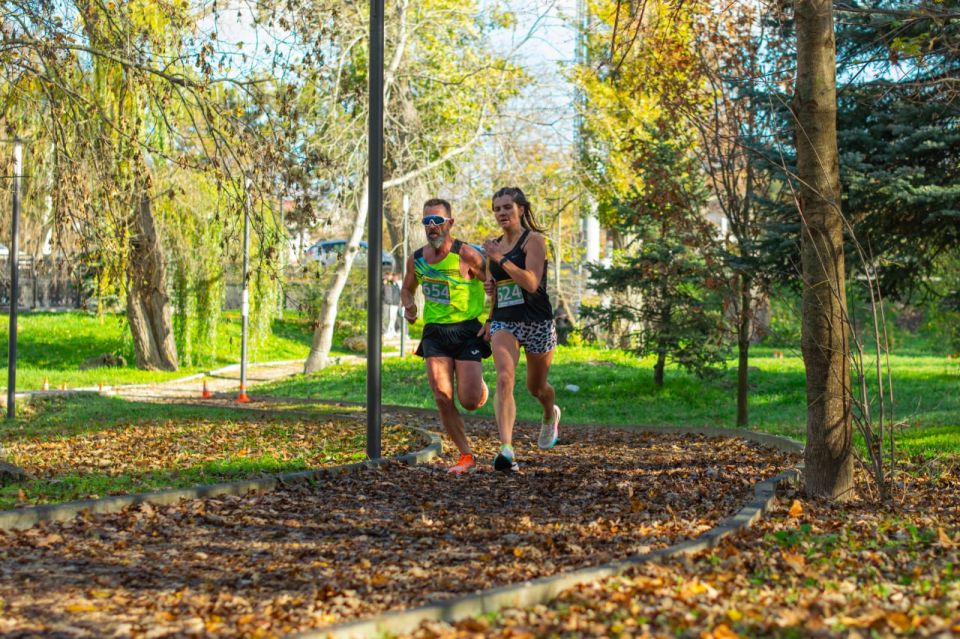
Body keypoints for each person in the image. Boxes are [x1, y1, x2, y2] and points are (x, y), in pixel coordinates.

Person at [401, 198, 490, 475]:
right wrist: (410, 305)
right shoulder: (417, 259)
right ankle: (466, 455)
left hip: (466, 330)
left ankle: (479, 387)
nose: (432, 227)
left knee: (470, 401)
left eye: (437, 221)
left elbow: (494, 284)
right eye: (427, 222)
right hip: (435, 333)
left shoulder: (468, 255)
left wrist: (493, 319)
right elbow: (407, 288)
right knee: (441, 395)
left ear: (449, 223)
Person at [481, 186, 560, 473]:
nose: (502, 213)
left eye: (507, 207)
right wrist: (490, 311)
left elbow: (531, 283)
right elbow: (496, 288)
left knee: (536, 387)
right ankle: (506, 449)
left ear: (521, 209)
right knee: (504, 377)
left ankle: (550, 414)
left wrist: (501, 258)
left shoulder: (534, 241)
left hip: (537, 320)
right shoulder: (492, 246)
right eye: (497, 208)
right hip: (506, 319)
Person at [383, 272, 401, 339]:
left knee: (394, 318)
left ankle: (393, 330)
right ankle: (387, 331)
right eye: (394, 277)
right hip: (390, 303)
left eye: (396, 277)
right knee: (389, 317)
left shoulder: (397, 285)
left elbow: (399, 293)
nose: (395, 278)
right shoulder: (388, 283)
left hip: (396, 304)